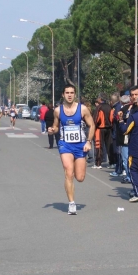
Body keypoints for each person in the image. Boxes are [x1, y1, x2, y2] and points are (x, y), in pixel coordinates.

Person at [48, 84, 95, 215]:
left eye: (72, 93)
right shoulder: (58, 110)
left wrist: (89, 142)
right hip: (65, 145)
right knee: (69, 172)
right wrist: (52, 130)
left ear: (75, 94)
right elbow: (56, 126)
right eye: (67, 92)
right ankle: (72, 203)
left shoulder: (83, 109)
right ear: (63, 94)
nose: (69, 95)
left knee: (80, 177)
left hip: (80, 145)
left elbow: (92, 125)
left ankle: (73, 197)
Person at [92, 92, 115, 169]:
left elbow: (96, 119)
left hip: (100, 129)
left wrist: (94, 128)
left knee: (99, 145)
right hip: (109, 129)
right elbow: (112, 118)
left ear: (100, 99)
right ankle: (112, 162)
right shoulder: (110, 107)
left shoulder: (99, 107)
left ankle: (98, 163)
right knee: (109, 146)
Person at [109, 92, 124, 177]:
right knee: (118, 151)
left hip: (117, 131)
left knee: (118, 152)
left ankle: (119, 169)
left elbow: (117, 119)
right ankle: (119, 169)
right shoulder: (116, 107)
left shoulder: (117, 108)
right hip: (116, 130)